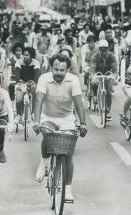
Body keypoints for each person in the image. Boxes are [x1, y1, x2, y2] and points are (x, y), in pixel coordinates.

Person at [33, 54, 87, 201]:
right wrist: (36, 121)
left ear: (67, 69)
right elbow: (38, 100)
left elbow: (78, 103)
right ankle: (44, 164)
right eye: (55, 69)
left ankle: (68, 189)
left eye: (62, 70)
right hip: (48, 116)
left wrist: (83, 123)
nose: (58, 73)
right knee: (47, 133)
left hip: (67, 118)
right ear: (51, 68)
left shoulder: (73, 80)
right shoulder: (44, 79)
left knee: (68, 154)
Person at [89, 40, 118, 121]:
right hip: (98, 73)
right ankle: (94, 95)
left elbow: (115, 68)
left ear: (108, 49)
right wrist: (93, 76)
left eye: (105, 49)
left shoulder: (111, 56)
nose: (104, 51)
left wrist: (115, 76)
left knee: (108, 91)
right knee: (94, 81)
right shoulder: (95, 56)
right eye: (101, 49)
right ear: (99, 49)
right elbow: (92, 68)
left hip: (108, 74)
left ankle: (107, 111)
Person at [12, 47, 41, 122]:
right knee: (18, 98)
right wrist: (18, 84)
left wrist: (33, 83)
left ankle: (33, 113)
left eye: (27, 55)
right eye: (24, 55)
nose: (24, 56)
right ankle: (19, 114)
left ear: (31, 56)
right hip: (22, 82)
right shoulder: (19, 62)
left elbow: (37, 75)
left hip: (31, 82)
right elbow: (17, 74)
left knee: (35, 93)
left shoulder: (36, 63)